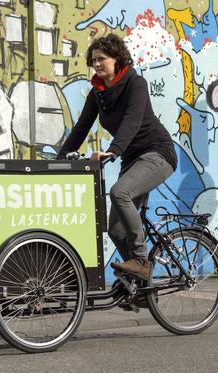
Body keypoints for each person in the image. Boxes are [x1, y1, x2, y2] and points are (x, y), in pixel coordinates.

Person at [56, 34, 177, 280]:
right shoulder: (97, 94)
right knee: (116, 230)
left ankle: (141, 261)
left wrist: (113, 151)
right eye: (93, 61)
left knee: (120, 192)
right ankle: (140, 287)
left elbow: (132, 121)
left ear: (117, 58)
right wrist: (57, 161)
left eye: (101, 59)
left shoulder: (136, 84)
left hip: (157, 152)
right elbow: (80, 129)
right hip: (132, 159)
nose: (96, 64)